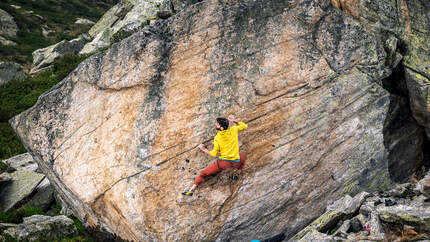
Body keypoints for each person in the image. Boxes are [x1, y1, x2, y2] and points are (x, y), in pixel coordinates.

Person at [182, 115, 248, 196]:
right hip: (236, 162)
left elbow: (214, 154)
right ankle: (237, 173)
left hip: (223, 163)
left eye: (217, 124)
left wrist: (203, 149)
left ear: (222, 128)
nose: (216, 124)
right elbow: (244, 126)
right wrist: (234, 120)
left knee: (203, 174)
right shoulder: (234, 129)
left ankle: (191, 190)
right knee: (243, 156)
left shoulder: (218, 138)